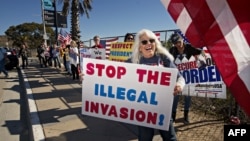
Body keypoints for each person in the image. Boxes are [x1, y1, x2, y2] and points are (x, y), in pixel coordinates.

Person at [126, 29, 185, 141]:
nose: (148, 43)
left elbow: (180, 77)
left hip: (163, 108)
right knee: (145, 139)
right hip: (143, 111)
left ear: (155, 43)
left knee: (170, 138)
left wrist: (179, 85)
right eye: (144, 42)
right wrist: (89, 76)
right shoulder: (133, 61)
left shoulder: (163, 58)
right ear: (139, 46)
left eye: (151, 40)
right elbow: (110, 75)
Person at [169, 33, 206, 124]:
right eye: (175, 43)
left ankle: (186, 115)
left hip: (189, 76)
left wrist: (198, 60)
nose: (178, 44)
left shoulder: (189, 47)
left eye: (179, 41)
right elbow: (168, 61)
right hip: (178, 77)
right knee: (175, 96)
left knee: (188, 97)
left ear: (182, 39)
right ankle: (173, 116)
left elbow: (200, 54)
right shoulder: (172, 50)